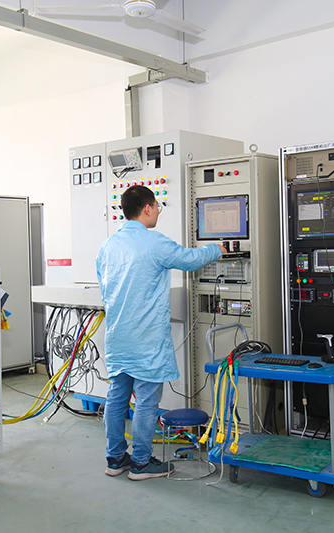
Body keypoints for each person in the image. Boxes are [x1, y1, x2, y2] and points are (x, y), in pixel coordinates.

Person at [96, 185, 225, 480]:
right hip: (146, 338)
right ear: (147, 208)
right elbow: (190, 259)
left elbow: (105, 288)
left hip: (118, 336)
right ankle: (141, 463)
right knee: (145, 401)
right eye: (157, 207)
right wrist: (217, 249)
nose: (157, 212)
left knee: (116, 398)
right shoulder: (153, 242)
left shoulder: (108, 246)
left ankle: (115, 459)